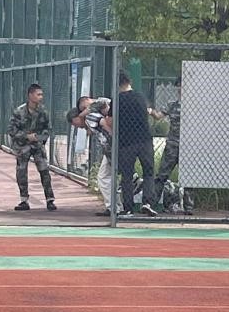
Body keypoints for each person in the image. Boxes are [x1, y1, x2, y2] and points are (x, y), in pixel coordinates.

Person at [108, 71, 157, 218]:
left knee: (127, 175)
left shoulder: (117, 100)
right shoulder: (140, 97)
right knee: (148, 172)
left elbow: (110, 121)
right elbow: (147, 113)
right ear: (129, 81)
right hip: (144, 139)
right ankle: (148, 202)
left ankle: (128, 208)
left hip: (126, 141)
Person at [67, 96, 120, 217]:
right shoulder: (89, 119)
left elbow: (103, 123)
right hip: (109, 147)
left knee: (104, 176)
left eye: (75, 123)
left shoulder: (89, 116)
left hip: (112, 146)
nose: (77, 127)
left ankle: (114, 207)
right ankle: (114, 206)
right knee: (105, 176)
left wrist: (113, 138)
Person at [8, 83, 57, 212]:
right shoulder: (19, 111)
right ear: (30, 95)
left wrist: (39, 138)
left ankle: (50, 199)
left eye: (41, 94)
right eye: (38, 94)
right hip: (22, 146)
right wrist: (26, 136)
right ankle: (24, 200)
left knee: (44, 170)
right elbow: (12, 130)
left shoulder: (43, 111)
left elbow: (48, 128)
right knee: (21, 172)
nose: (41, 97)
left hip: (37, 145)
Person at [151, 77, 194, 215]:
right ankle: (152, 203)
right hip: (172, 144)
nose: (181, 88)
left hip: (189, 145)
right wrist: (150, 110)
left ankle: (189, 206)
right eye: (179, 86)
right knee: (162, 174)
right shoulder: (172, 105)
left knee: (189, 177)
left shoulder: (195, 105)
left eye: (183, 85)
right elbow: (159, 115)